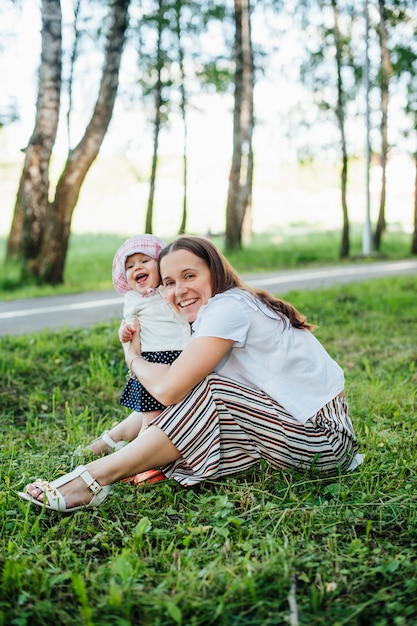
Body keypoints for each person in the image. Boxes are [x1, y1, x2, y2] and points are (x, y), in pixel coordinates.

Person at [18, 236, 362, 513]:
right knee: (196, 392)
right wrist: (114, 434)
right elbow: (177, 394)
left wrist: (132, 356)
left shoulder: (227, 309)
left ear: (214, 271)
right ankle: (121, 456)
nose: (179, 290)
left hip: (324, 442)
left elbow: (168, 391)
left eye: (190, 276)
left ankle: (94, 479)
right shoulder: (225, 307)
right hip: (292, 426)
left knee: (209, 387)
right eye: (168, 282)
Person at [81, 234, 191, 482]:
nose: (137, 268)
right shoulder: (132, 299)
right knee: (150, 420)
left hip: (183, 357)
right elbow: (130, 326)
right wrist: (126, 331)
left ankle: (153, 457)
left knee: (175, 412)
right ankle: (136, 463)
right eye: (130, 266)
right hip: (153, 361)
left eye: (145, 261)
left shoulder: (170, 288)